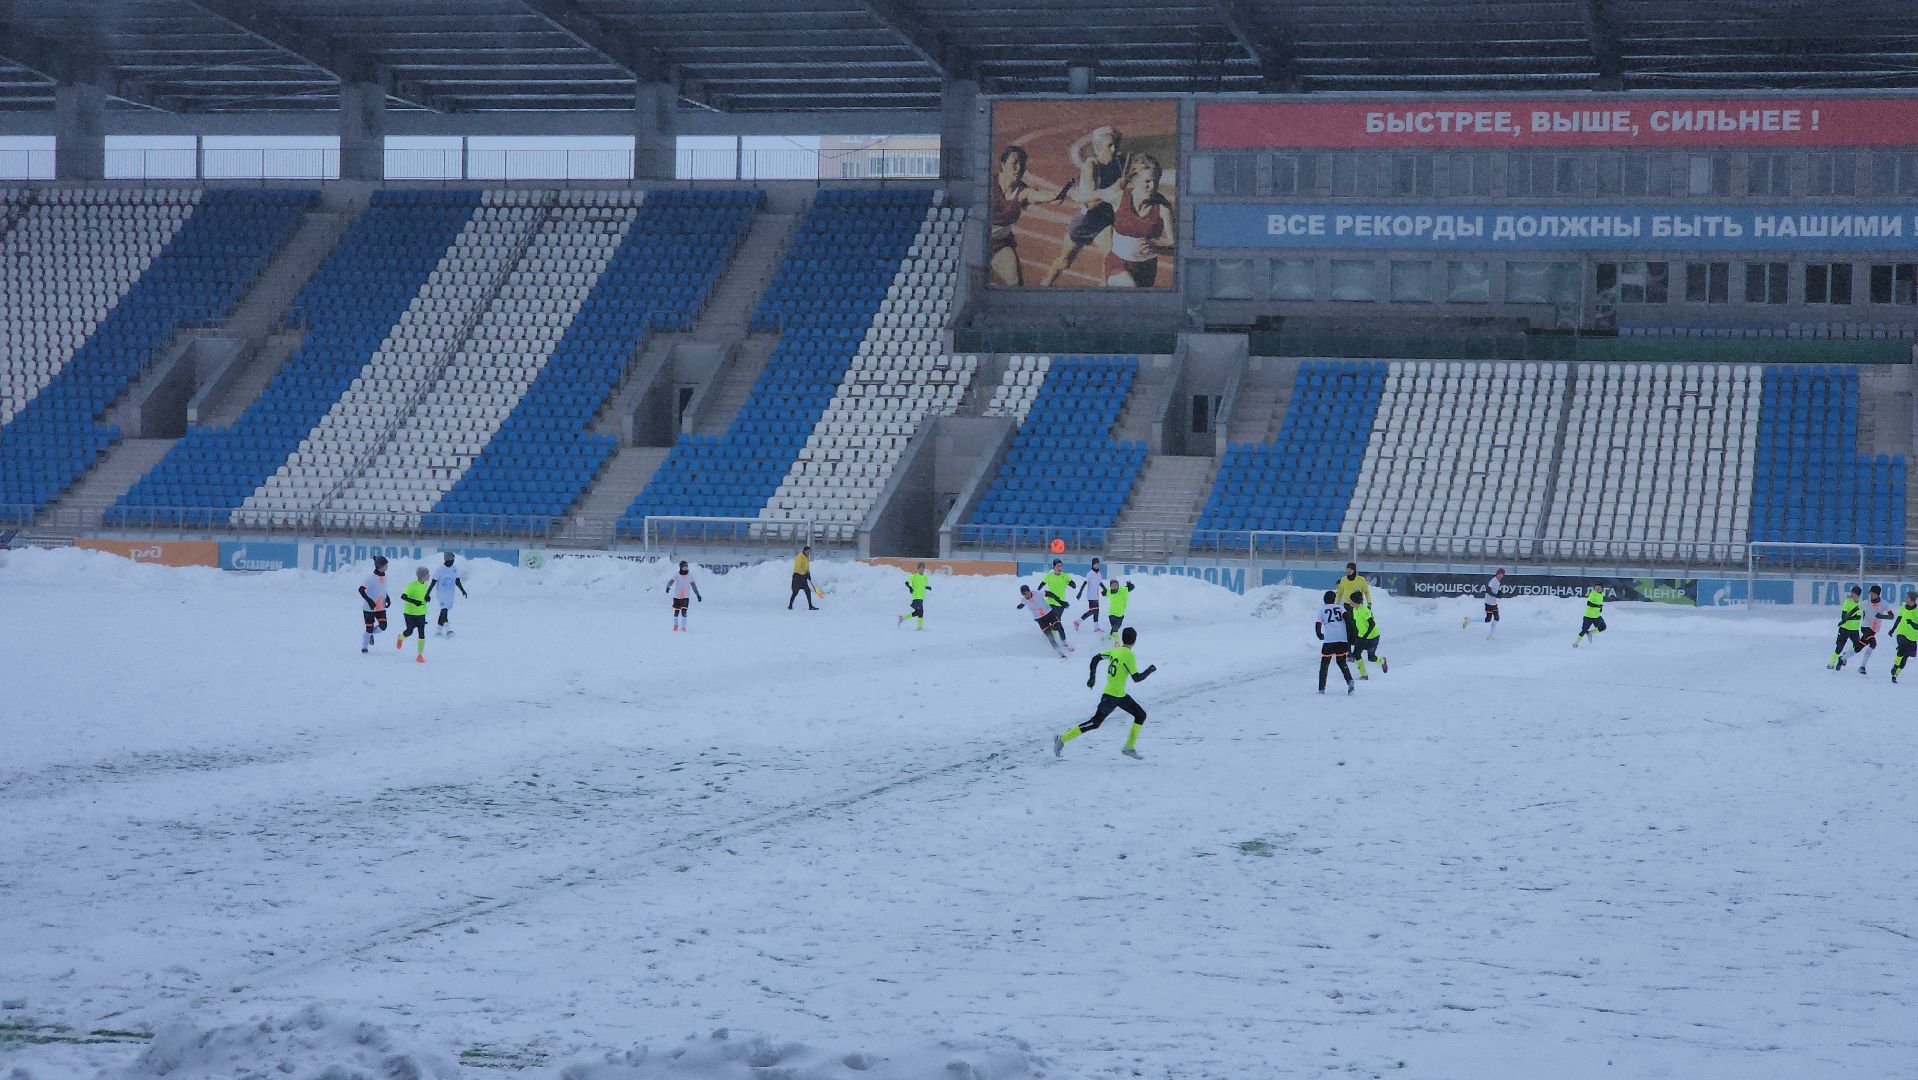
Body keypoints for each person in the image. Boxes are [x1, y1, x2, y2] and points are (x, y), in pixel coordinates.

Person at [1041, 125, 1128, 287]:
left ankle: (1105, 288)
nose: (1114, 148)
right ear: (1098, 147)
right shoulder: (1091, 166)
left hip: (1103, 222)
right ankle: (1045, 284)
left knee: (1113, 257)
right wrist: (1115, 188)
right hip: (1085, 221)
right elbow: (1090, 203)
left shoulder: (1119, 161)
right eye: (1109, 145)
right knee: (1064, 262)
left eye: (1115, 144)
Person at [1054, 626, 1158, 760]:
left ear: (1123, 639)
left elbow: (1095, 658)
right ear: (1134, 642)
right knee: (1095, 723)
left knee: (1140, 715)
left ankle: (1129, 747)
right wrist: (1149, 670)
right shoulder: (1129, 655)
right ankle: (1062, 739)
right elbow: (1137, 678)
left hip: (1119, 695)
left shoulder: (1115, 651)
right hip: (1112, 696)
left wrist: (1092, 677)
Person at [1103, 154, 1174, 288]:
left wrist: (1156, 246)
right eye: (1147, 181)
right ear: (1135, 180)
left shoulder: (1164, 207)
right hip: (1118, 263)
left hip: (1147, 269)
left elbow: (1175, 247)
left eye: (1156, 181)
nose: (1152, 186)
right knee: (1130, 286)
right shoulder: (1119, 197)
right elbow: (1091, 194)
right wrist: (1069, 193)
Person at [987, 145, 1052, 286]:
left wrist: (1058, 196)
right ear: (1003, 165)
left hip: (998, 244)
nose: (1019, 168)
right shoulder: (987, 184)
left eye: (1022, 164)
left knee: (1016, 283)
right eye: (1014, 163)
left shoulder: (1022, 191)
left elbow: (1035, 195)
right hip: (975, 241)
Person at [1316, 589, 1355, 695]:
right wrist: (1353, 634)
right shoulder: (1341, 608)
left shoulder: (1322, 609)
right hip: (1342, 639)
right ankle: (1350, 681)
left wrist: (1319, 635)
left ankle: (1321, 688)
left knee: (1325, 664)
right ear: (1334, 599)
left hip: (1329, 640)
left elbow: (1318, 624)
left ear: (1324, 599)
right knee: (1342, 662)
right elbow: (1349, 620)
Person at [1019, 583, 1072, 657]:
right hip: (1040, 619)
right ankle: (1060, 654)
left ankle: (1065, 644)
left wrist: (1060, 602)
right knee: (1050, 636)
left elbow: (1050, 594)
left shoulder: (1037, 593)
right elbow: (1022, 603)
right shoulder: (1024, 599)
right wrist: (1019, 606)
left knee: (1059, 627)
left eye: (1026, 593)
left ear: (1029, 591)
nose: (1025, 596)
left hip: (1049, 613)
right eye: (1023, 594)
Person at [1856, 585, 1895, 676]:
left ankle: (1843, 658)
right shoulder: (1866, 602)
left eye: (1873, 593)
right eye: (1870, 593)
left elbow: (1891, 616)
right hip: (1865, 627)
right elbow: (1854, 609)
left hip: (1874, 629)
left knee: (1859, 647)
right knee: (1873, 643)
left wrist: (1881, 616)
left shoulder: (1883, 603)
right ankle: (1862, 667)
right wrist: (1845, 619)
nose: (1871, 594)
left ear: (1878, 594)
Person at [1348, 590, 1388, 680]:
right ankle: (1364, 675)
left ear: (1355, 601)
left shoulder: (1364, 610)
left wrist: (1365, 636)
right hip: (1362, 637)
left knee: (1371, 658)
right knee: (1356, 654)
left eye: (1351, 600)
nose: (1349, 601)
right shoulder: (1355, 609)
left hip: (1372, 637)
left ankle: (1382, 661)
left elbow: (1372, 624)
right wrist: (1357, 636)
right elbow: (1358, 624)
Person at [396, 566, 431, 663]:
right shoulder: (412, 585)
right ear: (422, 576)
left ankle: (420, 655)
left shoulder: (425, 585)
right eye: (427, 574)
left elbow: (424, 596)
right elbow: (403, 596)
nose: (429, 576)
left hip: (421, 612)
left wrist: (427, 598)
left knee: (422, 633)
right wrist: (414, 601)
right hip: (410, 613)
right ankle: (401, 637)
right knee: (409, 631)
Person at [358, 555, 390, 654]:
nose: (387, 567)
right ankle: (364, 646)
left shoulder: (384, 576)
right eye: (386, 565)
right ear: (380, 566)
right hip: (369, 608)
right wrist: (369, 601)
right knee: (369, 628)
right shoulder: (371, 578)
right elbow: (361, 589)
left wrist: (388, 598)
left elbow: (382, 589)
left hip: (380, 607)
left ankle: (370, 634)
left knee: (383, 626)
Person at [431, 552, 467, 636]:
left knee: (444, 611)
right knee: (444, 610)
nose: (453, 561)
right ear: (448, 560)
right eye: (452, 559)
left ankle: (438, 631)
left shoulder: (454, 568)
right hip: (441, 594)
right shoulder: (440, 569)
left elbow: (457, 581)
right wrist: (427, 594)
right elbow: (433, 582)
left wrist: (462, 590)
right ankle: (448, 630)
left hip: (450, 594)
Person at [1830, 585, 1865, 670]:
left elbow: (1863, 616)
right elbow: (1843, 616)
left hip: (1854, 630)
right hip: (1844, 628)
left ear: (1857, 595)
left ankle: (1844, 656)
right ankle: (1831, 663)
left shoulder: (1861, 604)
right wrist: (1855, 617)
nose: (1851, 594)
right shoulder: (1848, 602)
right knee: (1839, 647)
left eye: (1853, 593)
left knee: (1857, 646)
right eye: (1851, 593)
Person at [1041, 559, 1076, 641]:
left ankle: (1051, 634)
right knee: (1053, 620)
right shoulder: (1049, 576)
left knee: (1056, 622)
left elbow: (1074, 586)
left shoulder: (1065, 576)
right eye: (1058, 566)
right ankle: (1050, 637)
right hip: (1050, 602)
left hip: (1061, 604)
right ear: (1054, 567)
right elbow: (1042, 584)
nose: (1060, 567)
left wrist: (1071, 583)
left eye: (1061, 566)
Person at [1467, 567, 1507, 637]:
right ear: (1497, 574)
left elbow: (1494, 590)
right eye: (1499, 574)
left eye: (1502, 574)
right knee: (1491, 619)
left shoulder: (1498, 581)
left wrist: (1499, 592)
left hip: (1492, 602)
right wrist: (1496, 595)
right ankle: (1491, 635)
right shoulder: (1493, 580)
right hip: (1489, 603)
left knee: (1492, 618)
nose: (1501, 575)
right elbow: (1488, 590)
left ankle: (1491, 635)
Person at [666, 559, 702, 632]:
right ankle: (675, 625)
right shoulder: (677, 574)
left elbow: (694, 586)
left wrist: (698, 595)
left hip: (685, 596)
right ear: (681, 567)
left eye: (686, 567)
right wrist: (668, 586)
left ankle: (683, 627)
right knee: (676, 612)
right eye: (684, 567)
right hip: (677, 596)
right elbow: (671, 581)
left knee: (684, 612)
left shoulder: (690, 575)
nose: (686, 568)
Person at [1892, 592, 1918, 684]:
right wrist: (1892, 629)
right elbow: (1898, 619)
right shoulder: (1903, 607)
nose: (1905, 599)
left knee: (1905, 658)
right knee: (1902, 649)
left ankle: (1895, 675)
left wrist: (1911, 623)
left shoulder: (1917, 611)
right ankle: (1895, 665)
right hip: (1901, 633)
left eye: (1907, 597)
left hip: (1912, 637)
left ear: (1912, 599)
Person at [1074, 557, 1106, 633]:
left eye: (1098, 564)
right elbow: (1085, 583)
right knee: (1093, 611)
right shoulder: (1090, 573)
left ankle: (1095, 628)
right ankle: (1078, 622)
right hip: (1091, 595)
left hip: (1096, 595)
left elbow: (1100, 583)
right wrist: (1080, 592)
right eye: (1095, 564)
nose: (1096, 566)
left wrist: (1105, 589)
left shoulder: (1099, 574)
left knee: (1096, 611)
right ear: (1092, 565)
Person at [899, 562, 930, 629]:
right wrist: (910, 588)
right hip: (915, 597)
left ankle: (903, 617)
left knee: (918, 612)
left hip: (921, 597)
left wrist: (927, 587)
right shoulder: (914, 576)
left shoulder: (925, 577)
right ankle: (919, 626)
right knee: (921, 611)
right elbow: (906, 583)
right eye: (920, 568)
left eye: (923, 568)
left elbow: (922, 586)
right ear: (918, 569)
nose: (922, 570)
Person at [1104, 577, 1135, 642]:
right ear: (1110, 587)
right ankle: (1116, 643)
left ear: (1118, 586)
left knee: (1116, 627)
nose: (1114, 587)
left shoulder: (1123, 590)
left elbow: (1132, 587)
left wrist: (1130, 585)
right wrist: (1104, 593)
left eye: (1116, 585)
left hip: (1121, 614)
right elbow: (1106, 593)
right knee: (1115, 627)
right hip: (1112, 614)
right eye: (1112, 586)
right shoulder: (1109, 592)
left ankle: (1110, 636)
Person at [788, 546, 817, 611]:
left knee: (808, 591)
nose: (808, 553)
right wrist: (804, 574)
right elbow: (798, 567)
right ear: (804, 551)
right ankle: (790, 605)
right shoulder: (800, 556)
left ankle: (810, 606)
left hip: (803, 578)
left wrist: (808, 573)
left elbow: (807, 566)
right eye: (807, 551)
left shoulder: (807, 557)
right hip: (797, 577)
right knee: (795, 592)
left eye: (809, 551)